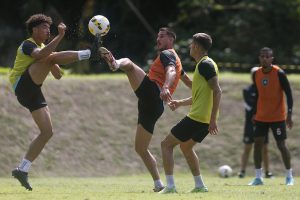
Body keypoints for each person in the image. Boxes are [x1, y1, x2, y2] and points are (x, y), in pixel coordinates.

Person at [9, 13, 98, 191]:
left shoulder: (44, 49)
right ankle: (89, 53)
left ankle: (23, 169)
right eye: (44, 28)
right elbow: (43, 55)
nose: (48, 31)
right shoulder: (28, 44)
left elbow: (58, 75)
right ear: (34, 30)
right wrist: (60, 38)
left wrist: (54, 62)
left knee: (47, 132)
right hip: (23, 85)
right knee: (49, 56)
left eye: (49, 29)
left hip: (33, 91)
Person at [100, 27, 190, 192]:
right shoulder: (177, 60)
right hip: (154, 106)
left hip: (153, 93)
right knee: (140, 148)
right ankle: (158, 184)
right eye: (157, 36)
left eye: (162, 36)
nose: (158, 39)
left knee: (128, 65)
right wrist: (199, 89)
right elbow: (184, 78)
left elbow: (170, 71)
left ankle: (115, 63)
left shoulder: (167, 54)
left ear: (171, 39)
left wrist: (165, 87)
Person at [159, 33, 222, 193]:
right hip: (204, 119)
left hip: (199, 118)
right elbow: (201, 95)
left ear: (197, 47)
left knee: (166, 145)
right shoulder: (205, 64)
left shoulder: (204, 65)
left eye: (191, 44)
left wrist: (213, 119)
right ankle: (200, 185)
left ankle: (171, 187)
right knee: (186, 147)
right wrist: (180, 103)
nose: (189, 47)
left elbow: (217, 91)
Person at [248, 47, 294, 186]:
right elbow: (257, 95)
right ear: (259, 58)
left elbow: (289, 94)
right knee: (257, 145)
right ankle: (258, 177)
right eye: (262, 56)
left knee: (281, 145)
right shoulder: (256, 74)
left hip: (277, 117)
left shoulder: (279, 73)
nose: (264, 59)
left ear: (272, 59)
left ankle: (289, 176)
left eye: (267, 56)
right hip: (261, 117)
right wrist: (254, 113)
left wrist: (289, 115)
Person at [238, 67, 273, 178]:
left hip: (263, 123)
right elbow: (251, 106)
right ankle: (242, 171)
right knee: (247, 147)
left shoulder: (265, 90)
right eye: (254, 75)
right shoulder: (247, 90)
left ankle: (267, 172)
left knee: (265, 148)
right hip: (250, 124)